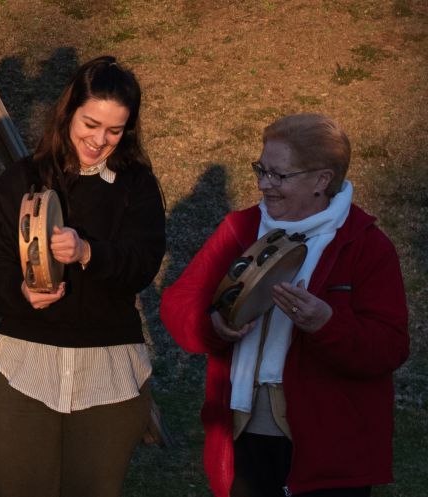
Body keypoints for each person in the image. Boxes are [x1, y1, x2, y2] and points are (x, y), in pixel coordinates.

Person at [160, 114, 407, 497]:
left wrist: (327, 324)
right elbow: (179, 301)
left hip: (330, 455)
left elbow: (389, 347)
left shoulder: (367, 246)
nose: (263, 184)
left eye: (279, 175)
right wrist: (214, 326)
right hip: (243, 435)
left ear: (322, 180)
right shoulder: (239, 229)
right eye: (261, 169)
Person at [0, 56, 164, 497]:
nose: (99, 140)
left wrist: (89, 251)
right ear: (69, 111)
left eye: (115, 130)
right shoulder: (22, 178)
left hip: (109, 369)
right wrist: (19, 293)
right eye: (91, 123)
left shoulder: (138, 186)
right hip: (26, 365)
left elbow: (144, 262)